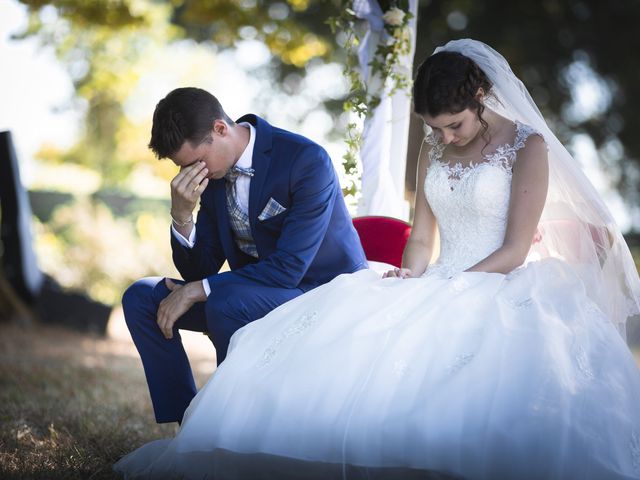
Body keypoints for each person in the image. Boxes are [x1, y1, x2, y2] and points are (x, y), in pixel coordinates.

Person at [115, 40, 640, 479]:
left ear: (482, 98)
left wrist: (451, 284)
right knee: (153, 297)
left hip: (497, 278)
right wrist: (414, 273)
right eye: (434, 129)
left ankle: (233, 425)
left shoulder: (528, 148)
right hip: (433, 275)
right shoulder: (433, 148)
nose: (443, 138)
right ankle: (209, 425)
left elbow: (515, 249)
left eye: (453, 125)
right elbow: (421, 237)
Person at [121, 87, 367, 425]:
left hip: (321, 291)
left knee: (226, 302)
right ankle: (187, 427)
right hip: (249, 291)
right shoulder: (214, 175)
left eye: (196, 163)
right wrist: (182, 216)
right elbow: (201, 267)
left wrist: (200, 289)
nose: (191, 175)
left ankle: (229, 425)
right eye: (183, 168)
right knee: (142, 298)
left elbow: (289, 269)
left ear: (220, 129)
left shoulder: (305, 160)